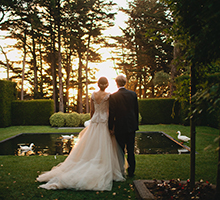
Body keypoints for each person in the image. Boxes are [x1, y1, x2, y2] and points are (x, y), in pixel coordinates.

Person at [36, 77, 125, 191]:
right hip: (104, 121)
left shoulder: (93, 95)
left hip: (95, 121)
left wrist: (93, 119)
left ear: (98, 84)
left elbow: (92, 111)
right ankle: (105, 167)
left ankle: (91, 161)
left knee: (91, 145)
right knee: (104, 144)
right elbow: (110, 110)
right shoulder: (108, 95)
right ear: (107, 85)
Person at [108, 74, 139, 177]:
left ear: (116, 83)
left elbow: (112, 113)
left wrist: (110, 127)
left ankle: (121, 171)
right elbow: (136, 111)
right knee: (131, 149)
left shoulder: (113, 96)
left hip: (120, 126)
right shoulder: (133, 94)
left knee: (120, 150)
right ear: (125, 82)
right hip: (131, 125)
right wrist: (136, 124)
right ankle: (131, 172)